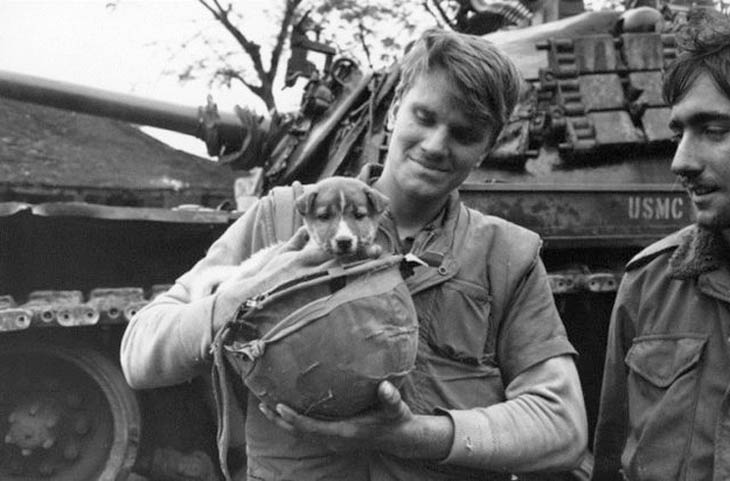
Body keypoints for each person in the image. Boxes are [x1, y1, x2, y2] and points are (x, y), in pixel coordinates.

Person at [121, 28, 587, 481]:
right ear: (392, 112)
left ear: (487, 148)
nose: (436, 144)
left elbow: (562, 426)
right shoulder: (282, 218)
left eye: (464, 134)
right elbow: (140, 351)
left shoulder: (506, 256)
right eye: (424, 117)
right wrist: (241, 296)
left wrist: (418, 435)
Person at [591, 9, 730, 481]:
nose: (680, 161)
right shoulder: (650, 284)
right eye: (678, 132)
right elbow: (610, 461)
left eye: (715, 131)